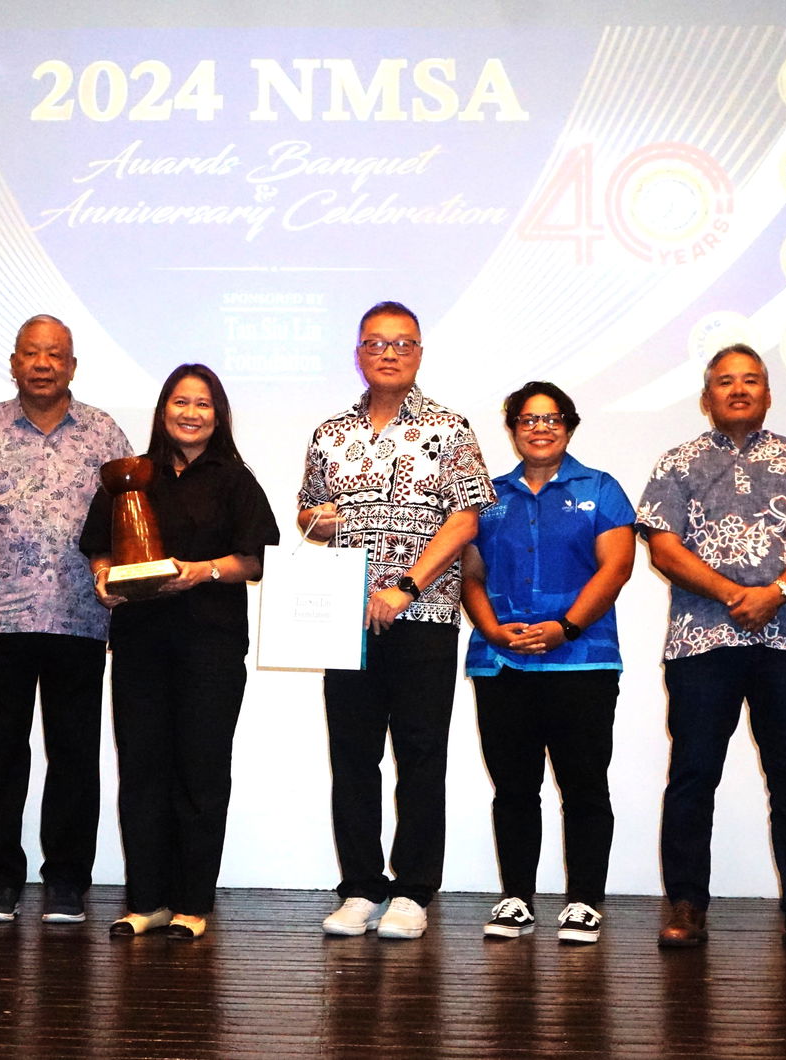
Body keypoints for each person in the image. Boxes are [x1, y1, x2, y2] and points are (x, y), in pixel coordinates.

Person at [634, 344, 786, 952]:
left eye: (750, 381)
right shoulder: (677, 462)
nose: (738, 390)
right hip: (702, 641)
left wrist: (777, 591)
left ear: (768, 392)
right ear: (706, 398)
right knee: (693, 775)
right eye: (724, 382)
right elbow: (663, 548)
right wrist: (737, 594)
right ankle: (685, 905)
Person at [297, 300, 495, 940]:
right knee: (351, 756)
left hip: (425, 612)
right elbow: (307, 515)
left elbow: (466, 519)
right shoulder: (330, 432)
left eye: (402, 343)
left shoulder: (449, 427)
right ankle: (360, 887)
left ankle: (412, 891)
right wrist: (320, 521)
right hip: (343, 618)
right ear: (358, 353)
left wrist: (406, 586)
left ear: (418, 353)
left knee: (419, 755)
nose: (389, 352)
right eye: (376, 343)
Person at [0, 314, 133, 923]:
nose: (43, 364)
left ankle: (67, 881)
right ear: (15, 362)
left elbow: (131, 521)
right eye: (32, 353)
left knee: (74, 757)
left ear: (72, 365)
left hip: (80, 619)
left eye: (56, 355)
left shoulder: (104, 434)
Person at [80, 364, 279, 939]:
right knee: (141, 769)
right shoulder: (130, 479)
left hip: (210, 644)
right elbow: (98, 548)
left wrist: (202, 572)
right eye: (180, 402)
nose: (190, 413)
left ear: (218, 415)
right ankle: (146, 901)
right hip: (140, 643)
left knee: (201, 770)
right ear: (163, 409)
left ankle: (192, 903)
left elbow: (257, 559)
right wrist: (103, 579)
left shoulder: (235, 479)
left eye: (203, 404)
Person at [461, 382, 634, 943]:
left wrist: (566, 628)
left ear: (570, 426)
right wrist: (490, 629)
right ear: (512, 428)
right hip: (503, 664)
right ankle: (515, 898)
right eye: (529, 419)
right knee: (513, 787)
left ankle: (585, 900)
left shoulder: (602, 490)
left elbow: (615, 568)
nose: (541, 427)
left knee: (584, 786)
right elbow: (471, 574)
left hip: (582, 663)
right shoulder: (487, 496)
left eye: (553, 418)